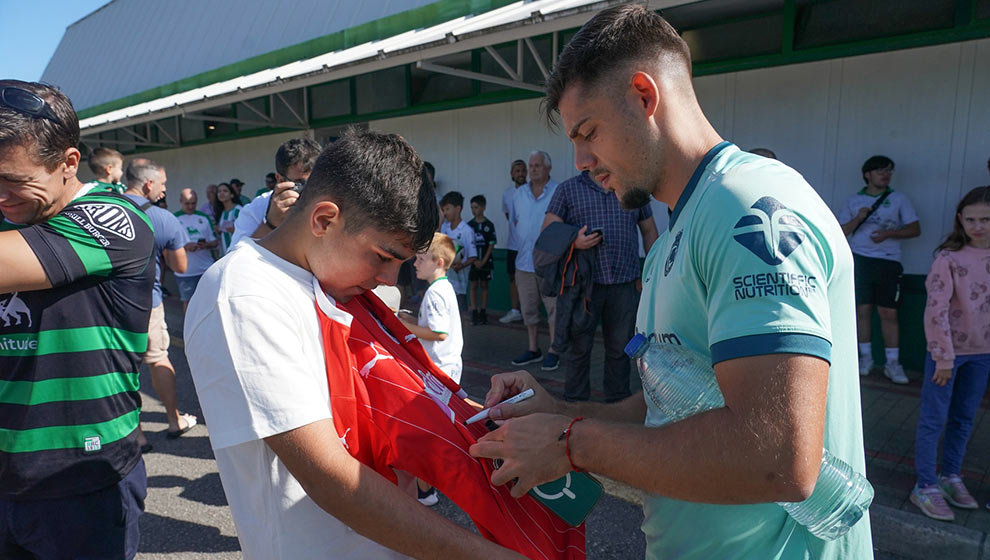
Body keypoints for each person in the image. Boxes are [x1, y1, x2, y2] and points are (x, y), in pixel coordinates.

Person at [468, 5, 873, 559]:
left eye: (588, 132)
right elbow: (668, 411)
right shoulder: (668, 243)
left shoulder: (747, 208)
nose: (581, 160)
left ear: (643, 95)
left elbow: (779, 458)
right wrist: (557, 413)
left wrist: (569, 445)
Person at [183, 128, 526, 559]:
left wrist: (486, 417)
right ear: (324, 220)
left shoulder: (333, 282)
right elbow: (333, 479)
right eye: (383, 257)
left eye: (400, 264)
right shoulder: (244, 295)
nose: (388, 280)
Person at [0, 79, 153, 559]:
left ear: (69, 162)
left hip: (81, 477)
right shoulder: (13, 217)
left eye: (15, 180)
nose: (1, 196)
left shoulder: (113, 218)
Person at [910, 186, 990, 521]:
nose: (978, 226)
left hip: (983, 354)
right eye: (971, 219)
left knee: (964, 418)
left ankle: (951, 476)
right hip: (949, 355)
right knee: (934, 419)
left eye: (985, 219)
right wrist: (944, 356)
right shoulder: (949, 258)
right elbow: (936, 310)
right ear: (960, 219)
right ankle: (925, 485)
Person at [543, 171, 658, 402]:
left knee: (620, 350)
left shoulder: (633, 183)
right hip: (584, 286)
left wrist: (652, 273)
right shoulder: (568, 189)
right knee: (579, 349)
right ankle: (576, 405)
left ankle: (617, 404)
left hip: (624, 284)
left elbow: (649, 231)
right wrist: (573, 241)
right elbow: (548, 231)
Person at [122, 159, 198, 441]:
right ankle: (173, 420)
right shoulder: (163, 218)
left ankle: (136, 434)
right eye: (163, 185)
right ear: (149, 184)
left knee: (122, 367)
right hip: (147, 301)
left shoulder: (102, 209)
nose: (164, 191)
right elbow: (181, 267)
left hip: (106, 304)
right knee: (158, 359)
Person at [838, 155, 921, 384]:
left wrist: (888, 234)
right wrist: (859, 217)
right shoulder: (853, 200)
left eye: (889, 171)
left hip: (888, 262)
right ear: (868, 174)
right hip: (860, 260)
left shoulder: (898, 199)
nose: (886, 175)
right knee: (862, 310)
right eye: (881, 171)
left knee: (888, 313)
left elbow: (915, 228)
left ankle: (893, 363)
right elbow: (841, 231)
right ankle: (865, 359)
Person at [509, 151, 559, 370]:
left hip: (550, 264)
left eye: (538, 165)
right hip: (524, 263)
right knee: (529, 310)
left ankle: (554, 350)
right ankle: (533, 349)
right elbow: (514, 221)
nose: (533, 169)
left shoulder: (558, 191)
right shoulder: (518, 194)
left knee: (553, 310)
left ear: (548, 168)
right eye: (531, 165)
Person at [230, 137, 321, 246]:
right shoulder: (256, 210)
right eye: (300, 184)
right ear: (280, 179)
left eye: (316, 181)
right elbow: (236, 259)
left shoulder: (334, 199)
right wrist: (271, 223)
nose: (310, 191)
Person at [400, 232, 464, 384]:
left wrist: (405, 326)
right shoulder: (444, 287)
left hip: (439, 366)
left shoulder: (435, 293)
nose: (416, 264)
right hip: (448, 364)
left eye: (421, 259)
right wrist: (412, 320)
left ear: (439, 263)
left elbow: (439, 333)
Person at [174, 188, 218, 309]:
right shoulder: (174, 219)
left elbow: (215, 242)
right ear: (180, 201)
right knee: (189, 305)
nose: (190, 206)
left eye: (193, 203)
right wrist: (185, 246)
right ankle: (188, 328)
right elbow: (168, 245)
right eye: (187, 203)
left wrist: (206, 245)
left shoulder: (204, 218)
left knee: (210, 303)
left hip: (205, 269)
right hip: (186, 271)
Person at [499, 159, 528, 323]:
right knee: (513, 278)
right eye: (517, 171)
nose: (521, 174)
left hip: (529, 246)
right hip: (512, 245)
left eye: (523, 170)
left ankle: (529, 313)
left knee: (531, 279)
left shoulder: (532, 191)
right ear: (512, 174)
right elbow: (508, 216)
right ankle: (515, 310)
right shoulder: (507, 193)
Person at [439, 191, 477, 311]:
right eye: (443, 210)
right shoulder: (444, 228)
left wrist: (461, 265)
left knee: (459, 313)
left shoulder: (466, 231)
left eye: (447, 209)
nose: (445, 213)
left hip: (459, 284)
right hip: (444, 280)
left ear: (458, 208)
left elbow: (473, 257)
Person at [468, 194, 497, 325]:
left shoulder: (489, 225)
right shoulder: (469, 225)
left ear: (483, 207)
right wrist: (474, 260)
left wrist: (483, 261)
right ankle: (474, 311)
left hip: (486, 261)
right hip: (473, 261)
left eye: (476, 207)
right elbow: (467, 244)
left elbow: (491, 244)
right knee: (473, 285)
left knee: (484, 285)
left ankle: (483, 311)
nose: (474, 210)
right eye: (472, 207)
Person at [216, 182, 241, 254]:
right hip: (225, 253)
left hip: (237, 251)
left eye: (225, 191)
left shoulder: (238, 210)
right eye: (219, 191)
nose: (221, 193)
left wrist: (235, 230)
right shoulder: (221, 212)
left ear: (232, 195)